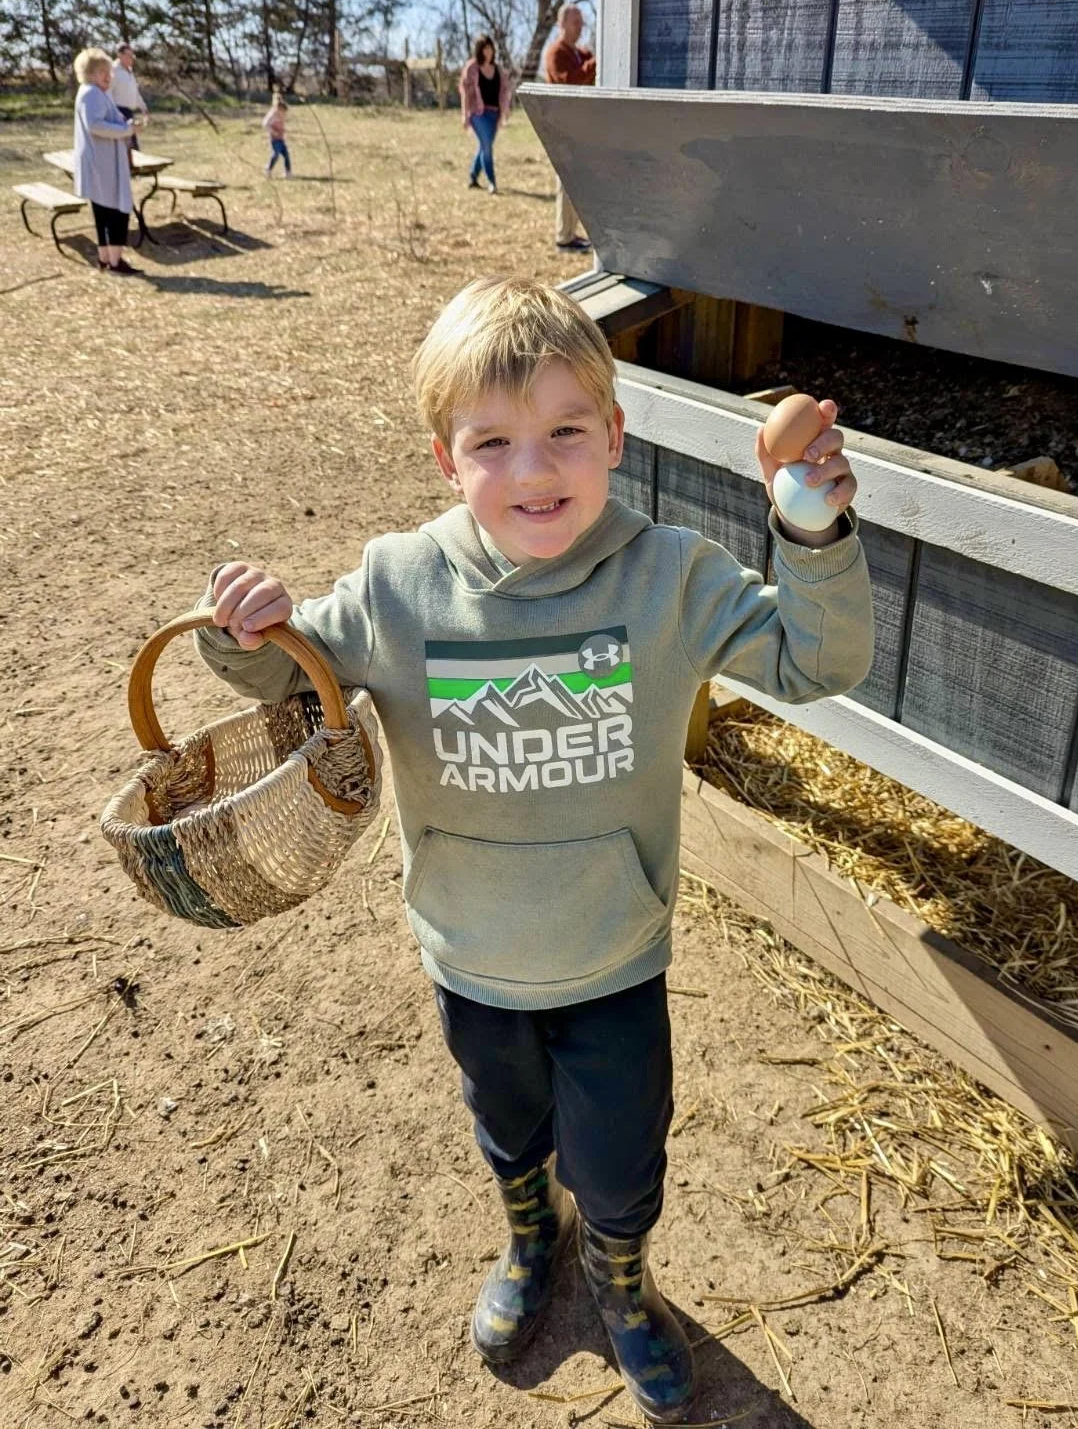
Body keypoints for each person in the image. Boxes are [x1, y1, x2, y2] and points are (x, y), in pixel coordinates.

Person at [191, 277, 872, 1425]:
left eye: (565, 431)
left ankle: (620, 1279)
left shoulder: (670, 578)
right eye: (492, 442)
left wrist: (809, 528)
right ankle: (528, 1240)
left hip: (613, 951)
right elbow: (289, 675)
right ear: (445, 460)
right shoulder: (398, 587)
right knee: (507, 1129)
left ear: (615, 435)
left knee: (618, 1157)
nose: (534, 469)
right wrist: (244, 628)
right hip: (471, 953)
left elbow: (819, 661)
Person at [72, 47, 142, 275]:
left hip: (102, 162)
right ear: (90, 73)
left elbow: (106, 119)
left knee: (103, 211)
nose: (108, 76)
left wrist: (126, 124)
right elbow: (95, 125)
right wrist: (126, 130)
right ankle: (115, 262)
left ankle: (105, 259)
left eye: (108, 71)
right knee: (115, 211)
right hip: (103, 164)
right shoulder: (90, 93)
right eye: (102, 71)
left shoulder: (95, 92)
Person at [543, 4, 595, 253]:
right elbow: (570, 82)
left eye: (581, 22)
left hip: (580, 125)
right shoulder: (556, 53)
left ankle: (571, 233)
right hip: (562, 126)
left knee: (577, 181)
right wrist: (594, 64)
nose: (580, 27)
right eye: (575, 22)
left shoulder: (580, 53)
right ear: (561, 24)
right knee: (566, 181)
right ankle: (564, 237)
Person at [460, 35, 512, 194]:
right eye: (485, 48)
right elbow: (465, 93)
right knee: (487, 147)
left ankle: (473, 175)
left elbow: (505, 91)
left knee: (484, 146)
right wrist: (465, 114)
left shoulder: (498, 70)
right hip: (478, 114)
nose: (488, 52)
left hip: (494, 114)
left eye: (490, 48)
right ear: (479, 50)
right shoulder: (472, 68)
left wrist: (505, 110)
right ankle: (492, 182)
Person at [109, 43, 148, 152]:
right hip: (118, 112)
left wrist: (143, 107)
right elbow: (108, 92)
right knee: (126, 146)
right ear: (120, 55)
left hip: (129, 112)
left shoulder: (129, 71)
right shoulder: (113, 71)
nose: (131, 58)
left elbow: (134, 92)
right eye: (128, 55)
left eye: (132, 55)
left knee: (132, 145)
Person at [263, 91, 291, 177]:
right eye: (282, 112)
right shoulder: (272, 115)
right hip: (274, 139)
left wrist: (283, 130)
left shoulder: (282, 114)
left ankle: (288, 172)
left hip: (281, 138)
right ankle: (269, 169)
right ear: (278, 108)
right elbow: (265, 124)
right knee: (276, 154)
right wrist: (273, 131)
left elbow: (282, 124)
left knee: (286, 155)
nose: (283, 114)